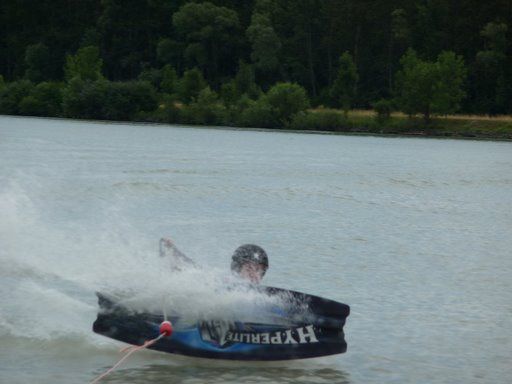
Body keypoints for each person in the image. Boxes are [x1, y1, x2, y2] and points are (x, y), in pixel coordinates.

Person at [159, 238, 268, 283]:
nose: (255, 275)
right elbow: (193, 271)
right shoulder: (224, 282)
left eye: (259, 271)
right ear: (237, 269)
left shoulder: (261, 297)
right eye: (249, 268)